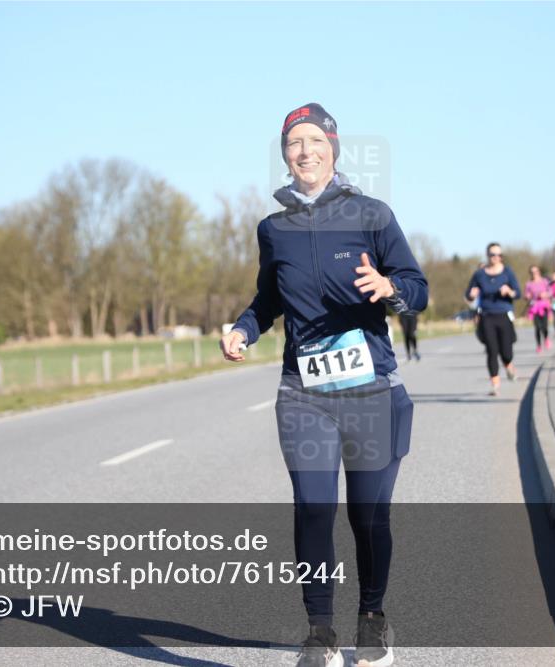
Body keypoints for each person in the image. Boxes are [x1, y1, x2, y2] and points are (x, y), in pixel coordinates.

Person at [221, 103, 427, 667]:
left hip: (372, 391)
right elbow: (268, 299)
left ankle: (372, 620)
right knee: (313, 507)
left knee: (368, 515)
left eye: (314, 139)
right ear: (285, 155)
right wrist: (244, 328)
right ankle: (319, 634)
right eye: (293, 143)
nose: (304, 150)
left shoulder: (372, 215)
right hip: (304, 394)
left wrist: (389, 287)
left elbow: (417, 285)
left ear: (333, 147)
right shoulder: (274, 228)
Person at [467, 243, 520, 396]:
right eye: (492, 255)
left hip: (504, 314)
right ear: (487, 255)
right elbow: (468, 294)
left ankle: (509, 365)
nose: (496, 258)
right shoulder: (479, 274)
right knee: (492, 350)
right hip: (487, 316)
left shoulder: (508, 272)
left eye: (498, 255)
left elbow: (518, 293)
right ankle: (495, 383)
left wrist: (509, 291)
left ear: (501, 256)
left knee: (506, 352)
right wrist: (472, 294)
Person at [524, 266, 552, 353]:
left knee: (544, 326)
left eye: (535, 271)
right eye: (532, 272)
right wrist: (527, 296)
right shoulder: (528, 284)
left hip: (544, 306)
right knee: (537, 327)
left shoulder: (544, 281)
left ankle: (546, 338)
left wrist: (545, 294)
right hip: (534, 307)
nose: (534, 273)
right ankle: (539, 345)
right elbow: (526, 295)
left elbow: (550, 292)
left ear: (539, 272)